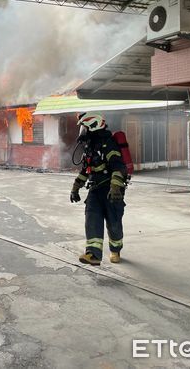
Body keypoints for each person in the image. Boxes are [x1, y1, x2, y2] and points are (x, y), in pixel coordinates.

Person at [70, 113, 127, 266]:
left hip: (111, 191)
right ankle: (93, 254)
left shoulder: (108, 144)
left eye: (84, 127)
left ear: (93, 127)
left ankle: (115, 249)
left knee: (114, 225)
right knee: (92, 218)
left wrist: (115, 188)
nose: (82, 131)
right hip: (95, 189)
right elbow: (85, 169)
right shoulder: (90, 146)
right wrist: (76, 187)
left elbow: (118, 167)